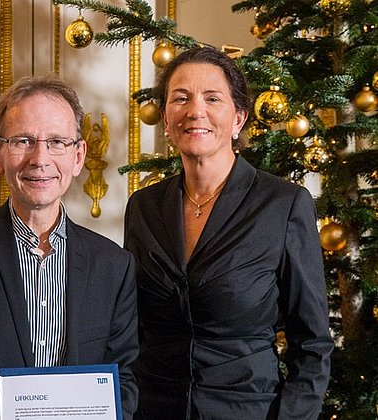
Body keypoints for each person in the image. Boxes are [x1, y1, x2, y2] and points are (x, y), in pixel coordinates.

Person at [124, 47, 333, 419]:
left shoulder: (283, 205)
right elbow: (131, 328)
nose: (195, 111)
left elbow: (313, 344)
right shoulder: (143, 207)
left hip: (248, 408)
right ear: (168, 121)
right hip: (154, 409)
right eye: (180, 98)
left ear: (239, 118)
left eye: (212, 98)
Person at [0, 75, 139, 419]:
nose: (40, 158)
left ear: (78, 157)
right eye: (23, 141)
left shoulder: (113, 265)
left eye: (57, 142)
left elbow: (123, 381)